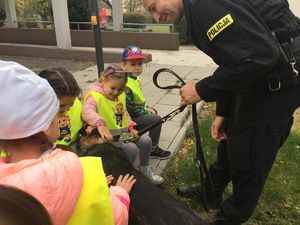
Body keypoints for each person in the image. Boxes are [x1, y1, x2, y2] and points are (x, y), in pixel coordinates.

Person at [142, 0, 300, 224]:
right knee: (231, 139)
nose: (157, 17)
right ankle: (211, 191)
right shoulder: (198, 6)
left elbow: (260, 55)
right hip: (259, 76)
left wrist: (201, 89)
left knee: (249, 158)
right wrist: (223, 112)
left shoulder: (204, 6)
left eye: (154, 7)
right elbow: (234, 59)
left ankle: (229, 218)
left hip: (277, 83)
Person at [0, 60, 136, 225]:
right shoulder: (86, 174)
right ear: (45, 125)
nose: (66, 114)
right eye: (58, 113)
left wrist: (89, 126)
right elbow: (115, 217)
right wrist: (117, 193)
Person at [82, 63, 164, 185]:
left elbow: (125, 113)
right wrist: (100, 124)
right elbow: (87, 111)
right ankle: (124, 175)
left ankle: (145, 169)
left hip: (121, 135)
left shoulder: (120, 96)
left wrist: (131, 127)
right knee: (131, 149)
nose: (116, 92)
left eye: (120, 89)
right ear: (103, 80)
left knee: (146, 141)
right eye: (113, 88)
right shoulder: (94, 96)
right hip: (107, 139)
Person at [122, 45, 171, 159]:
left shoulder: (134, 78)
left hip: (134, 113)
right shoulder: (125, 84)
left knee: (153, 113)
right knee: (156, 119)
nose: (137, 67)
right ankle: (152, 148)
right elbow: (131, 110)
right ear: (124, 65)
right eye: (133, 64)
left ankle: (140, 139)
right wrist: (145, 111)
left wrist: (147, 108)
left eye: (140, 64)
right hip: (128, 117)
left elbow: (136, 101)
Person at [38, 68, 83, 150]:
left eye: (72, 102)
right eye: (61, 106)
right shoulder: (35, 117)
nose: (68, 109)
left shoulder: (75, 103)